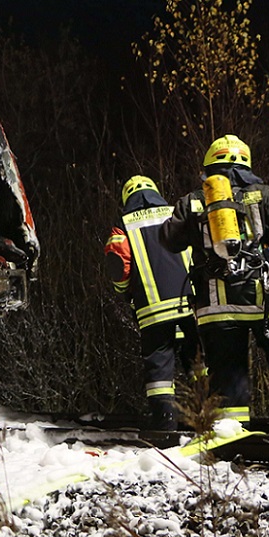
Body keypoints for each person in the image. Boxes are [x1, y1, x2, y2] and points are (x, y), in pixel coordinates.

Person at [160, 134, 269, 438]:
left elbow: (169, 240)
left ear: (209, 166)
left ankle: (236, 440)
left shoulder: (195, 200)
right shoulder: (263, 195)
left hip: (217, 307)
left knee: (228, 375)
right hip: (265, 300)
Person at [105, 175, 200, 430]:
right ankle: (209, 415)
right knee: (198, 360)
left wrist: (125, 293)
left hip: (152, 311)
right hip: (189, 304)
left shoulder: (122, 226)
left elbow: (118, 266)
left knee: (159, 369)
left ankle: (165, 425)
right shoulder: (176, 214)